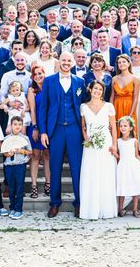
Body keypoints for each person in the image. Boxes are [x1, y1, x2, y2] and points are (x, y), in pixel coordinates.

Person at [38, 52, 86, 218]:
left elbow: (83, 108)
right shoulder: (49, 81)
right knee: (55, 167)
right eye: (63, 60)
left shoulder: (80, 81)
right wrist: (43, 131)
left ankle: (79, 203)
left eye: (68, 61)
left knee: (77, 168)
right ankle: (54, 203)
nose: (66, 63)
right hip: (56, 130)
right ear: (59, 62)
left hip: (74, 129)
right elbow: (43, 107)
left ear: (73, 63)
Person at [79, 80, 118, 220]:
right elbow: (83, 127)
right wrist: (86, 137)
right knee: (91, 173)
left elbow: (113, 127)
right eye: (95, 88)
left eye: (100, 89)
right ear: (91, 89)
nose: (97, 91)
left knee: (105, 173)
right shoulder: (83, 107)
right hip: (90, 146)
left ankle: (106, 208)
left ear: (103, 92)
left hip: (106, 143)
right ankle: (91, 209)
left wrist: (114, 145)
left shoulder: (108, 106)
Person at [116, 116, 140, 218]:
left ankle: (135, 209)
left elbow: (136, 154)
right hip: (122, 166)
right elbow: (118, 155)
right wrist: (115, 154)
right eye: (121, 126)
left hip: (133, 165)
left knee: (135, 187)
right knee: (122, 188)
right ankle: (120, 209)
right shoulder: (118, 141)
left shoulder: (134, 141)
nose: (123, 128)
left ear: (130, 128)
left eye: (125, 126)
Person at [27, 65, 50, 199]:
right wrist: (35, 127)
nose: (38, 76)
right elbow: (33, 110)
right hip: (36, 124)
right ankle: (34, 185)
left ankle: (48, 184)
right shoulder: (32, 90)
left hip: (48, 126)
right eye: (35, 74)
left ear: (44, 73)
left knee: (47, 155)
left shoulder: (49, 87)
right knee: (35, 155)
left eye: (40, 73)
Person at [3, 116, 32, 220]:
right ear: (11, 125)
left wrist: (21, 151)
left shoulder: (25, 138)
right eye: (15, 124)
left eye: (19, 124)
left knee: (19, 187)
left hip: (20, 165)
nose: (17, 126)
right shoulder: (6, 139)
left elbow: (30, 152)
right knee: (11, 188)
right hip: (9, 166)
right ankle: (12, 208)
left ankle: (19, 209)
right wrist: (8, 153)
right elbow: (4, 152)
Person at [0, 52, 31, 133]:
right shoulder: (6, 75)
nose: (20, 62)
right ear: (14, 62)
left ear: (26, 61)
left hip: (25, 111)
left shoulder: (31, 76)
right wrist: (9, 103)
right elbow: (2, 95)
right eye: (17, 60)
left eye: (22, 60)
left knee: (24, 134)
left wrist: (25, 108)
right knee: (9, 132)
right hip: (11, 111)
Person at [111, 54, 140, 136]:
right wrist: (111, 111)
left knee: (129, 132)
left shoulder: (135, 79)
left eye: (124, 62)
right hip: (117, 106)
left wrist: (130, 114)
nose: (121, 64)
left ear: (128, 63)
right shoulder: (114, 79)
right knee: (117, 131)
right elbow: (112, 96)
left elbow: (136, 97)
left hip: (129, 107)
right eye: (119, 63)